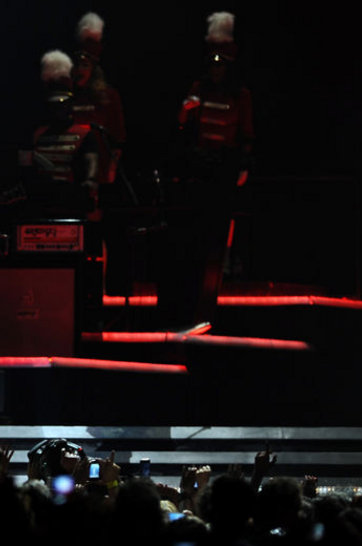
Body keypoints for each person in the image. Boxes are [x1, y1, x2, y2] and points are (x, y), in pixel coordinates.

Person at [157, 11, 255, 329]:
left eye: (220, 63)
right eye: (212, 63)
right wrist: (185, 111)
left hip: (225, 165)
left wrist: (243, 165)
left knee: (224, 221)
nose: (215, 69)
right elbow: (182, 125)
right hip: (199, 166)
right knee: (198, 223)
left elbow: (246, 134)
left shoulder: (240, 95)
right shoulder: (199, 87)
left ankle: (223, 268)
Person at [21, 49, 101, 220]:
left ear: (70, 105)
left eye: (62, 104)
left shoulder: (85, 134)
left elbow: (91, 170)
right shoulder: (38, 134)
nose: (58, 109)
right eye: (54, 105)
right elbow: (28, 167)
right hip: (43, 200)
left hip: (72, 198)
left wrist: (89, 184)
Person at [70, 12, 126, 191]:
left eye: (84, 65)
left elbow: (118, 138)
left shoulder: (108, 96)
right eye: (76, 65)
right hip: (70, 172)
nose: (79, 70)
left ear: (93, 69)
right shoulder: (68, 96)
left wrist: (111, 170)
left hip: (98, 173)